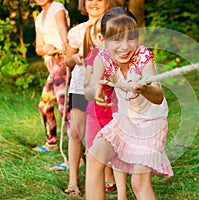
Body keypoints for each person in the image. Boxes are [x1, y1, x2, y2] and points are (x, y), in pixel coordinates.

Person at [85, 7, 174, 200]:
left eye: (130, 38)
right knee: (94, 157)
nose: (125, 46)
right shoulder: (103, 58)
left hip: (151, 124)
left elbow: (158, 96)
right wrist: (97, 89)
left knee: (139, 182)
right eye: (117, 39)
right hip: (126, 121)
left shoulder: (143, 57)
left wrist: (144, 88)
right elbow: (90, 90)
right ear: (102, 40)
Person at [63, 0, 121, 197]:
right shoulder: (78, 31)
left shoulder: (115, 25)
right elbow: (67, 59)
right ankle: (73, 180)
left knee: (105, 132)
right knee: (77, 133)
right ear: (83, 3)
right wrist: (75, 59)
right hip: (81, 85)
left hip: (106, 87)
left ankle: (108, 176)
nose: (94, 2)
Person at [84, 20, 127, 199]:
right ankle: (96, 188)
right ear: (98, 39)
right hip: (95, 113)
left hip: (115, 113)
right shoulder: (93, 56)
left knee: (118, 154)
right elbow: (87, 84)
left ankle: (122, 195)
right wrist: (96, 85)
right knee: (93, 153)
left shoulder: (122, 57)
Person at [33, 0, 70, 153]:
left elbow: (62, 28)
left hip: (61, 62)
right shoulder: (39, 17)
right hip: (51, 65)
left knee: (65, 108)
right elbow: (38, 48)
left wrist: (66, 45)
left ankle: (77, 156)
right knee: (45, 105)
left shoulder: (57, 7)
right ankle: (52, 142)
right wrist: (45, 49)